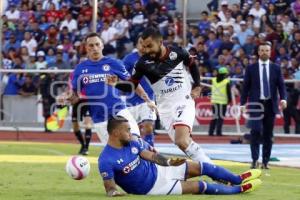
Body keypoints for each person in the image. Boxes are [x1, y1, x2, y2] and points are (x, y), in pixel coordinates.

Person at [107, 27, 212, 163]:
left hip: (183, 101)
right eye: (144, 47)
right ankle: (213, 170)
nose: (146, 50)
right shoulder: (142, 63)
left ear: (160, 42)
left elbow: (192, 64)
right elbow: (132, 85)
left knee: (182, 140)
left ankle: (216, 171)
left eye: (150, 46)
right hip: (164, 109)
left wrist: (197, 85)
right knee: (183, 144)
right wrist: (116, 84)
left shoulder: (178, 52)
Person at [98, 116, 262, 196]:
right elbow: (110, 188)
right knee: (199, 186)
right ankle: (239, 189)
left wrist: (169, 162)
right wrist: (114, 193)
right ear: (116, 132)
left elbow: (152, 157)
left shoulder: (133, 142)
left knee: (201, 167)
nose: (131, 132)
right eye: (127, 130)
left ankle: (238, 179)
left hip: (159, 170)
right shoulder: (106, 160)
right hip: (152, 188)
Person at [68, 32, 153, 144]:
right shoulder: (80, 69)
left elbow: (133, 83)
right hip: (99, 119)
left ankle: (150, 159)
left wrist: (147, 100)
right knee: (116, 154)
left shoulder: (114, 63)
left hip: (119, 111)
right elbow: (74, 93)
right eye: (91, 45)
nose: (95, 48)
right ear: (86, 48)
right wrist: (68, 98)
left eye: (97, 44)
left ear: (102, 45)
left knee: (135, 142)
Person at [240, 42, 287, 169]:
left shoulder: (276, 68)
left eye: (267, 50)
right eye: (262, 50)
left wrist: (283, 99)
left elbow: (281, 86)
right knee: (255, 132)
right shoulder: (251, 68)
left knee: (268, 134)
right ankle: (254, 160)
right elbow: (245, 87)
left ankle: (265, 162)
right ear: (258, 52)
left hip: (270, 105)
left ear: (270, 52)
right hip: (256, 104)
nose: (264, 52)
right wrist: (242, 103)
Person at [122, 37, 156, 146]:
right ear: (137, 45)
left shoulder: (154, 58)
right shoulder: (129, 59)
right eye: (140, 43)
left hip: (148, 99)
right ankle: (137, 151)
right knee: (130, 132)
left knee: (148, 126)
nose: (143, 46)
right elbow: (121, 75)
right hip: (131, 100)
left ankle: (150, 151)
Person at [209, 67, 231, 136]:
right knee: (220, 118)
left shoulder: (213, 80)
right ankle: (218, 132)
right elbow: (228, 92)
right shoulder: (226, 81)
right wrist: (229, 100)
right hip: (223, 102)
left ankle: (211, 132)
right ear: (225, 74)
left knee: (214, 117)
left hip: (214, 101)